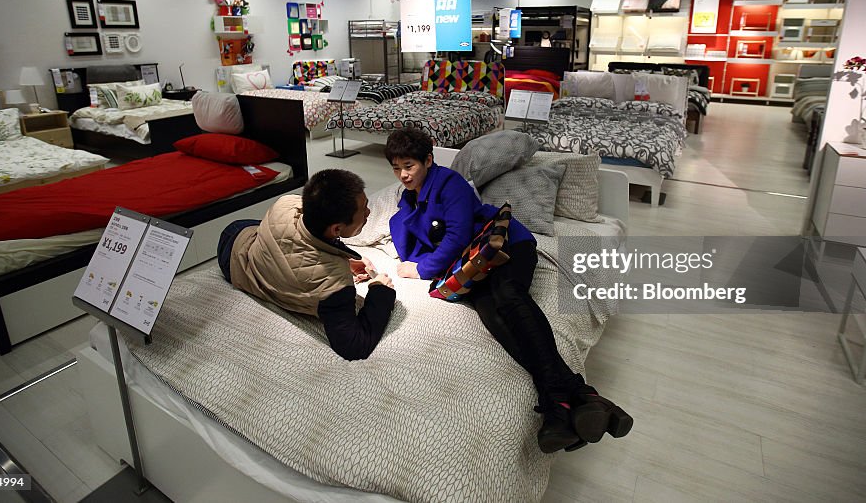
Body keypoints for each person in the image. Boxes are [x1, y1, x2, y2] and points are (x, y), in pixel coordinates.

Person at [383, 128, 632, 453]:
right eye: (396, 168)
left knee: (510, 298)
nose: (403, 175)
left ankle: (557, 404)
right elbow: (409, 252)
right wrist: (406, 221)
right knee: (493, 317)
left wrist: (422, 269)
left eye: (409, 166)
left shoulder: (449, 184)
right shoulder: (408, 204)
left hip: (506, 245)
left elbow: (455, 238)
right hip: (471, 270)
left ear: (428, 161)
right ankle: (579, 397)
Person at [217, 169, 396, 361]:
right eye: (364, 209)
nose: (369, 212)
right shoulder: (334, 282)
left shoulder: (286, 204)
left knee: (277, 232)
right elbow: (353, 346)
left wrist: (345, 257)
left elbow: (300, 244)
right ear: (337, 228)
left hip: (240, 231)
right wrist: (380, 292)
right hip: (233, 262)